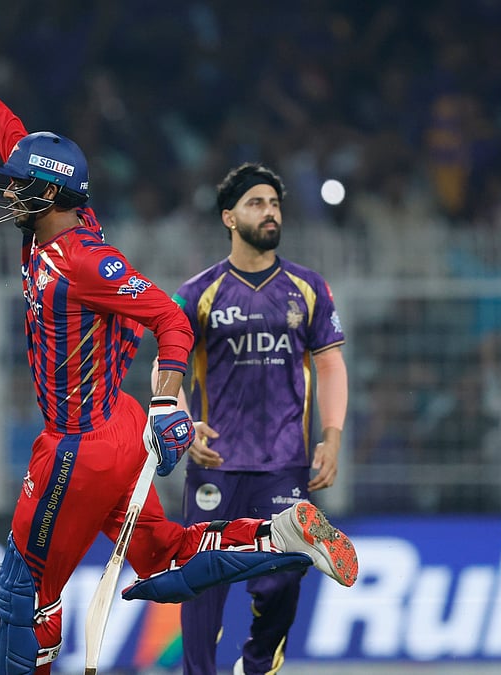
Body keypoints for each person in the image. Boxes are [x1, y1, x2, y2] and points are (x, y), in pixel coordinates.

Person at [0, 23, 358, 674]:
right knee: (165, 555)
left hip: (79, 442)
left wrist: (167, 402)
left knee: (21, 587)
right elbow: (13, 136)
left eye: (19, 185)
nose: (6, 192)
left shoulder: (85, 257)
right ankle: (281, 536)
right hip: (118, 431)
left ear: (50, 193)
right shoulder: (61, 218)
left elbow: (173, 319)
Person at [168, 163, 351, 674]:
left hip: (283, 465)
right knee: (201, 585)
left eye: (274, 203)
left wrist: (332, 438)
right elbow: (169, 370)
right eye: (256, 203)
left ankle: (257, 667)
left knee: (285, 579)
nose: (269, 212)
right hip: (216, 465)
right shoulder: (198, 292)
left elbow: (332, 365)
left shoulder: (308, 287)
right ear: (229, 217)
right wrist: (182, 427)